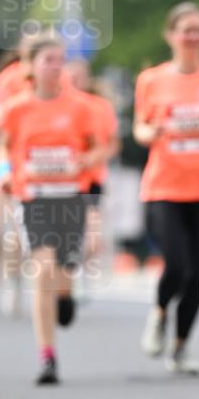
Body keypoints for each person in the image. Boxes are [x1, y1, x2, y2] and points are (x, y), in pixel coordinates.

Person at [0, 35, 103, 384]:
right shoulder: (17, 108)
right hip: (34, 198)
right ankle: (47, 356)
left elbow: (99, 148)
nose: (57, 67)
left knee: (66, 267)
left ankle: (66, 295)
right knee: (42, 271)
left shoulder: (80, 107)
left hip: (70, 197)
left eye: (60, 60)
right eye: (48, 60)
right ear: (31, 66)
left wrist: (85, 160)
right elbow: (3, 147)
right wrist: (4, 172)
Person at [134, 2, 199, 373]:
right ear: (170, 35)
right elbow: (140, 128)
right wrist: (153, 131)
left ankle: (180, 347)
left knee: (196, 271)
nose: (193, 37)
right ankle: (160, 312)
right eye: (186, 30)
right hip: (164, 186)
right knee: (176, 264)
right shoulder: (152, 80)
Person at [66, 58, 120, 300]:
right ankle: (68, 278)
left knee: (92, 238)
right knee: (68, 235)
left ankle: (84, 274)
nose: (76, 82)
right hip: (63, 182)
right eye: (72, 77)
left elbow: (112, 144)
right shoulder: (58, 106)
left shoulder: (100, 107)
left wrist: (92, 158)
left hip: (92, 180)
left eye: (80, 77)